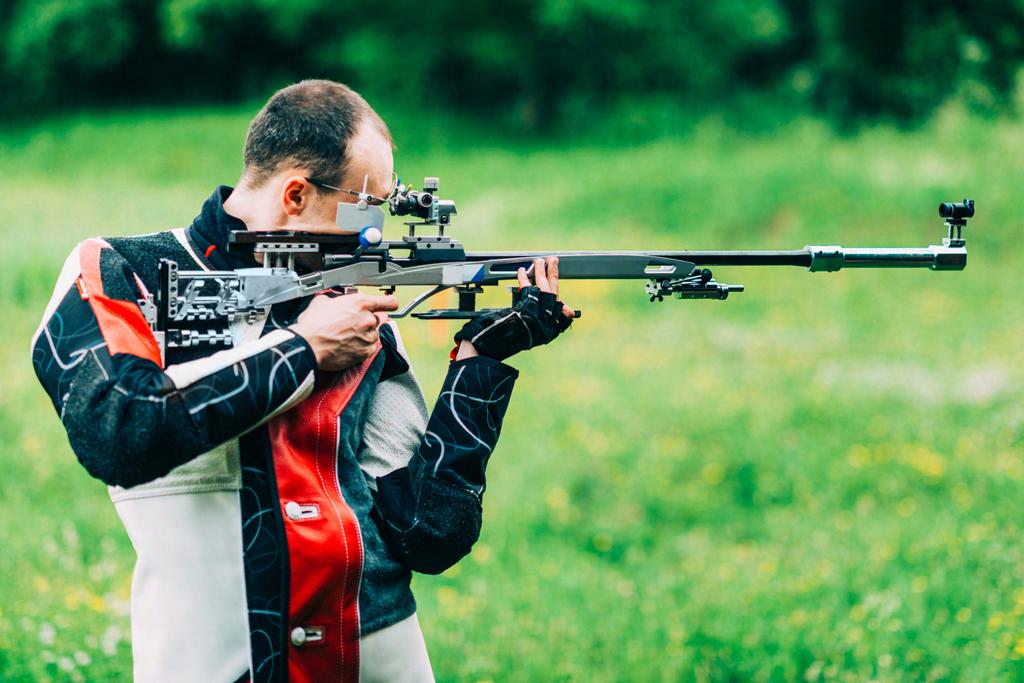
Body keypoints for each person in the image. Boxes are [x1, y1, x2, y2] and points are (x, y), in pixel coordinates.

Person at [29, 79, 574, 683]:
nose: (379, 234)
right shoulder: (121, 271)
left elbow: (429, 530)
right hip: (214, 661)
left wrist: (479, 363)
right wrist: (307, 349)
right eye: (370, 208)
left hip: (379, 655)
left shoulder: (352, 318)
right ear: (295, 193)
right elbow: (119, 429)